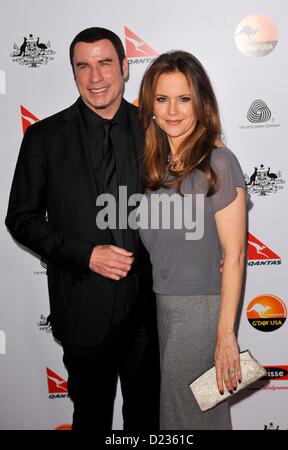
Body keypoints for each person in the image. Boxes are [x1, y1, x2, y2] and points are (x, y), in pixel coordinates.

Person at [5, 27, 159, 431]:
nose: (95, 77)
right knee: (90, 420)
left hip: (151, 311)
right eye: (83, 66)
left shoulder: (156, 130)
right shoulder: (44, 137)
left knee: (147, 421)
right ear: (73, 73)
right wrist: (87, 254)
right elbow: (20, 218)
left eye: (105, 63)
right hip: (82, 312)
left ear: (125, 68)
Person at [138, 50, 247, 430]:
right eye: (162, 99)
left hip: (200, 311)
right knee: (189, 415)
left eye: (184, 98)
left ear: (200, 103)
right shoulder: (156, 168)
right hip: (164, 309)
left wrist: (225, 334)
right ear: (150, 105)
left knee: (186, 418)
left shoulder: (218, 163)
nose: (172, 110)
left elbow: (234, 255)